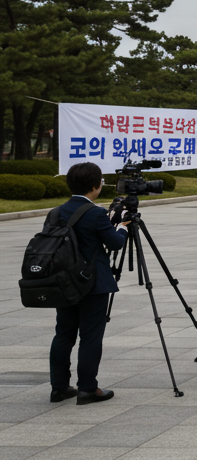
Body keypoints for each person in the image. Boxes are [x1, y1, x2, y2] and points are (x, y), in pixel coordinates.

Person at [48, 162, 130, 405]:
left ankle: (59, 388)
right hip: (92, 283)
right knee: (90, 336)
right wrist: (122, 228)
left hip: (63, 283)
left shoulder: (55, 212)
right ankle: (87, 388)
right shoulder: (95, 213)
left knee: (63, 335)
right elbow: (115, 243)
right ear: (96, 186)